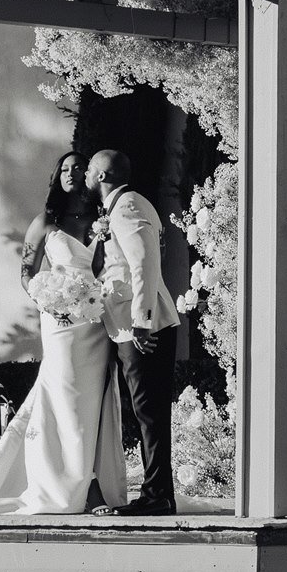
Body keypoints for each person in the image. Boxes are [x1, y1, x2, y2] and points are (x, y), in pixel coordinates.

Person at [0, 151, 127, 517]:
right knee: (66, 398)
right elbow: (27, 273)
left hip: (95, 322)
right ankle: (88, 487)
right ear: (56, 177)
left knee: (92, 404)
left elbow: (111, 267)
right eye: (64, 169)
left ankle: (89, 479)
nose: (72, 174)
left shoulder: (103, 220)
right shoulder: (45, 223)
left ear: (89, 177)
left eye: (79, 169)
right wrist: (47, 299)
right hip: (60, 322)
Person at [86, 147, 181, 516]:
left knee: (150, 413)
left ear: (102, 175)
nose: (87, 177)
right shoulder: (119, 207)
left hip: (144, 328)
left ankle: (158, 497)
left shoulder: (127, 206)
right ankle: (158, 493)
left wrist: (141, 322)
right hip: (128, 328)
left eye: (91, 170)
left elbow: (144, 265)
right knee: (145, 412)